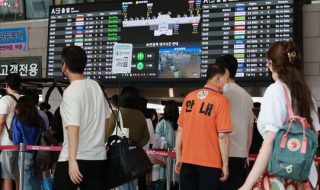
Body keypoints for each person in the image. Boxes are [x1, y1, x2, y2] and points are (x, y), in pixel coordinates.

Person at [239, 41, 320, 190]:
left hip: (280, 176)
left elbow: (270, 141)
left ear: (271, 64)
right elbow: (314, 135)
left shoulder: (275, 90)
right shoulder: (307, 94)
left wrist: (247, 184)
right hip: (307, 176)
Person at [53, 45, 111, 190]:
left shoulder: (71, 91)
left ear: (65, 66)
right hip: (98, 158)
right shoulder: (96, 86)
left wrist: (72, 160)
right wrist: (99, 141)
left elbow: (73, 126)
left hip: (74, 158)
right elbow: (107, 119)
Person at [175, 62, 232, 190]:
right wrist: (226, 164)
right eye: (226, 79)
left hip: (187, 163)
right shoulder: (221, 100)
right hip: (210, 164)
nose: (227, 83)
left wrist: (179, 157)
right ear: (218, 78)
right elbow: (222, 136)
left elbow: (180, 131)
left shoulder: (189, 97)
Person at [216, 55, 254, 190]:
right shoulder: (248, 97)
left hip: (222, 155)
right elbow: (250, 130)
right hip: (241, 156)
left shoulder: (220, 93)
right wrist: (246, 153)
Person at [106, 86, 150, 190]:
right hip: (134, 160)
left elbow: (106, 136)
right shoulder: (140, 115)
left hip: (119, 159)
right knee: (133, 185)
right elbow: (146, 137)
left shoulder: (116, 113)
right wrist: (134, 146)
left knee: (120, 185)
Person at [12, 96, 43, 190]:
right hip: (40, 154)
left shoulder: (18, 120)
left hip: (25, 154)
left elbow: (16, 141)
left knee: (25, 182)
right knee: (37, 182)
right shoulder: (39, 119)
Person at [0, 73, 22, 190]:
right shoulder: (24, 99)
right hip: (21, 144)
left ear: (6, 85)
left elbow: (1, 122)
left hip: (6, 144)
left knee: (6, 177)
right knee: (18, 176)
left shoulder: (6, 99)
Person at [154, 100, 179, 180]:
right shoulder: (180, 124)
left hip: (164, 156)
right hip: (178, 155)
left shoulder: (162, 123)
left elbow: (157, 140)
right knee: (175, 179)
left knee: (164, 178)